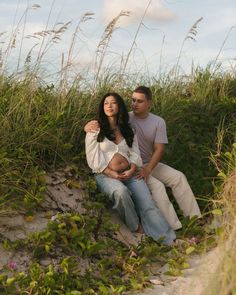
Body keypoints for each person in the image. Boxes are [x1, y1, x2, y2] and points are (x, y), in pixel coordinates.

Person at [84, 86, 201, 230]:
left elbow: (159, 149)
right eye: (133, 100)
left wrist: (148, 169)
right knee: (157, 187)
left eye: (139, 101)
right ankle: (174, 227)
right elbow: (105, 120)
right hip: (135, 164)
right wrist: (87, 126)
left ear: (149, 103)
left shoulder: (158, 122)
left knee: (178, 177)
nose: (134, 104)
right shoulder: (125, 116)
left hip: (150, 163)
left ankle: (195, 220)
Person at [85, 92, 176, 245]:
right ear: (102, 107)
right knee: (121, 192)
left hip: (130, 172)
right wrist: (112, 173)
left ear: (119, 106)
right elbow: (93, 159)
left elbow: (135, 153)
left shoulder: (128, 129)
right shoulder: (95, 129)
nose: (109, 106)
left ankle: (168, 239)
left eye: (113, 103)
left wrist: (133, 168)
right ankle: (137, 228)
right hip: (105, 174)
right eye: (106, 103)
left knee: (148, 204)